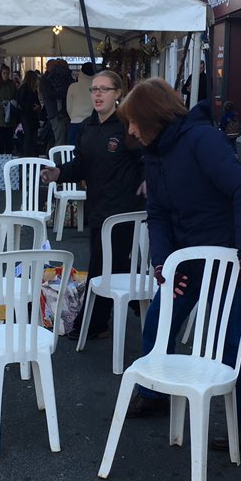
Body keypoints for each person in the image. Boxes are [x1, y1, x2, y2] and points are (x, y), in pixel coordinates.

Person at [117, 78, 241, 451]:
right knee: (158, 320)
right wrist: (163, 265)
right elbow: (157, 214)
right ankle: (153, 394)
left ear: (152, 116)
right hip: (187, 262)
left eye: (134, 121)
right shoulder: (153, 154)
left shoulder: (203, 140)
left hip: (229, 263)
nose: (131, 130)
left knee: (227, 343)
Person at [41, 69, 143, 340]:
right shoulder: (87, 127)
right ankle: (142, 307)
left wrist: (148, 180)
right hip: (97, 208)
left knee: (103, 265)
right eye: (94, 89)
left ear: (118, 94)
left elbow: (149, 157)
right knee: (113, 266)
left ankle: (95, 323)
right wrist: (59, 173)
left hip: (123, 211)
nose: (97, 94)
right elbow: (82, 165)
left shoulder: (127, 125)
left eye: (104, 89)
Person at [0, 65, 18, 155]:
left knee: (9, 141)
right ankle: (1, 159)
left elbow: (16, 96)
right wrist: (3, 104)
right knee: (0, 141)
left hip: (10, 117)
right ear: (1, 73)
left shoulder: (12, 84)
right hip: (0, 116)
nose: (6, 75)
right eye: (4, 73)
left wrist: (12, 103)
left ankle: (8, 159)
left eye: (7, 73)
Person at [65, 63, 96, 145]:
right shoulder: (96, 87)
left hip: (76, 122)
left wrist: (74, 117)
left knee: (73, 151)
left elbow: (69, 107)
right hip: (92, 123)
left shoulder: (73, 87)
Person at [16, 70, 41, 157]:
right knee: (30, 138)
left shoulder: (28, 89)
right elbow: (22, 103)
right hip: (28, 116)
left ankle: (29, 157)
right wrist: (34, 107)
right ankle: (30, 157)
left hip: (28, 116)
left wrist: (37, 107)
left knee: (30, 138)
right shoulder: (26, 89)